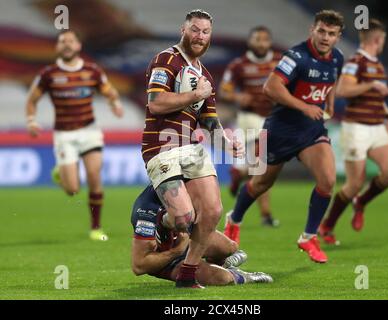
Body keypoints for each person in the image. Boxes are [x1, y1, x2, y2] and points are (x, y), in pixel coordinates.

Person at [224, 10, 345, 263]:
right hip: (281, 130)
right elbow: (271, 87)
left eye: (331, 34)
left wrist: (330, 104)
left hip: (311, 132)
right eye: (321, 31)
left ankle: (309, 236)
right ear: (313, 29)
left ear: (338, 36)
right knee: (260, 184)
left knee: (328, 180)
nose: (325, 37)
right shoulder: (296, 56)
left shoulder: (337, 58)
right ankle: (234, 219)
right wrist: (305, 106)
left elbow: (333, 80)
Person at [142, 9, 244, 288]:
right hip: (161, 148)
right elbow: (156, 104)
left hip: (190, 148)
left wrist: (226, 142)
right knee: (183, 217)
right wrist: (195, 95)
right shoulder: (166, 59)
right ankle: (164, 222)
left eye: (205, 32)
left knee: (212, 211)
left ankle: (187, 273)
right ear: (183, 30)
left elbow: (209, 121)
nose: (200, 36)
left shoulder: (205, 75)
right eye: (195, 30)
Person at [26, 29, 124, 241]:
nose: (67, 45)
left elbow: (109, 91)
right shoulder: (49, 74)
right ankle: (60, 174)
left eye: (71, 41)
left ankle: (96, 228)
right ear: (58, 47)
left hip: (90, 131)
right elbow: (32, 99)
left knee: (94, 176)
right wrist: (31, 121)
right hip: (64, 135)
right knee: (72, 190)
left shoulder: (92, 71)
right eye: (63, 42)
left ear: (79, 46)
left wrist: (115, 104)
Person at [319, 19, 388, 244]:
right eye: (382, 39)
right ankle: (327, 226)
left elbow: (376, 97)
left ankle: (361, 202)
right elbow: (344, 89)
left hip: (377, 127)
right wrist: (371, 85)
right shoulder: (356, 62)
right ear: (377, 39)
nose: (383, 42)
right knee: (354, 183)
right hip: (357, 128)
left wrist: (387, 113)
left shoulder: (377, 64)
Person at [130, 185, 273, 286]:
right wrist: (176, 252)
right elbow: (139, 266)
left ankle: (222, 264)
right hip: (166, 259)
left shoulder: (189, 187)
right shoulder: (146, 211)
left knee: (230, 247)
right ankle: (243, 277)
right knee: (222, 279)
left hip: (186, 240)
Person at [219, 26, 282, 229]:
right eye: (257, 39)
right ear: (250, 42)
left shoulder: (280, 62)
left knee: (261, 168)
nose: (261, 43)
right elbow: (224, 90)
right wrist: (238, 96)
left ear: (269, 42)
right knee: (260, 166)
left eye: (265, 39)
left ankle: (240, 172)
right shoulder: (239, 65)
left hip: (275, 118)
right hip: (251, 118)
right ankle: (266, 215)